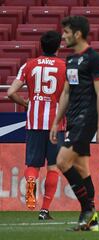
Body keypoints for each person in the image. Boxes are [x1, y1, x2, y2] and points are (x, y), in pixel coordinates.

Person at [49, 16, 99, 231]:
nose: (63, 36)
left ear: (78, 34)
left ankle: (86, 210)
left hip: (88, 118)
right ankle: (92, 222)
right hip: (73, 119)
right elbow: (66, 91)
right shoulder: (71, 60)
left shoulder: (94, 59)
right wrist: (56, 121)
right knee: (82, 169)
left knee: (62, 161)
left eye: (66, 32)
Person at [7, 31, 66, 220]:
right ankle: (44, 210)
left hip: (34, 122)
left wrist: (26, 104)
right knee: (53, 167)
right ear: (58, 47)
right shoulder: (64, 67)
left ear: (41, 46)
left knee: (33, 164)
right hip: (56, 124)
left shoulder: (28, 65)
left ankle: (31, 180)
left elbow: (10, 92)